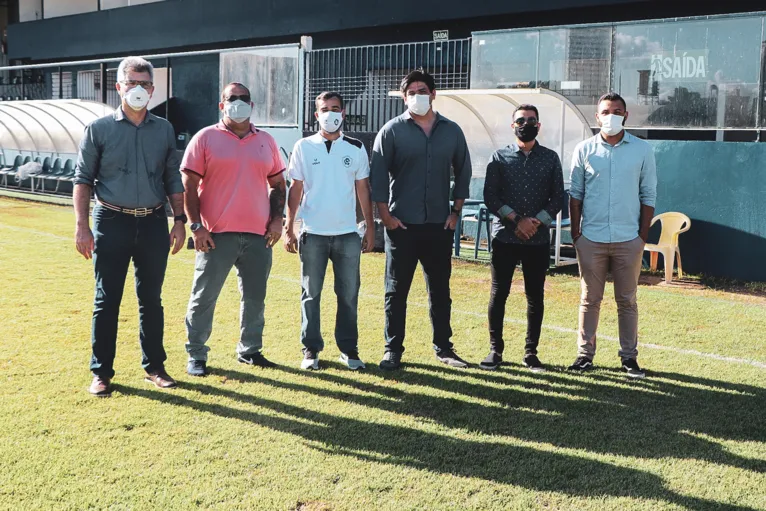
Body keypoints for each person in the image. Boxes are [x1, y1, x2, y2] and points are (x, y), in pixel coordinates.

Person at [74, 56, 186, 397]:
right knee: (106, 300)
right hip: (110, 221)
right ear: (119, 86)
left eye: (145, 84)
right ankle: (101, 372)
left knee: (151, 299)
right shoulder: (99, 129)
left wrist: (180, 220)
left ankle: (154, 366)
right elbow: (82, 179)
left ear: (153, 89)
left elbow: (172, 179)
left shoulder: (164, 129)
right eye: (132, 83)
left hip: (153, 222)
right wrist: (82, 226)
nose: (139, 89)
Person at [181, 82, 286, 377]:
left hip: (258, 236)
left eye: (243, 99)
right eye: (232, 98)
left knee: (255, 298)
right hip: (215, 235)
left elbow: (278, 185)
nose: (238, 103)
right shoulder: (205, 138)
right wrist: (196, 226)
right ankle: (197, 355)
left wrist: (278, 220)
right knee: (204, 297)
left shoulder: (265, 140)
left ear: (252, 105)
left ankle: (250, 350)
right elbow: (188, 185)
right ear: (221, 105)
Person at [370, 69, 472, 371]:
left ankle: (444, 348)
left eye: (423, 90)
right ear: (404, 97)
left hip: (440, 225)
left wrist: (456, 212)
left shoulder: (451, 131)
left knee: (440, 289)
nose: (418, 96)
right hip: (402, 226)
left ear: (433, 94)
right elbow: (377, 174)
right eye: (412, 91)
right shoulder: (391, 131)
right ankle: (392, 349)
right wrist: (385, 216)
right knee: (395, 289)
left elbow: (463, 171)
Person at [568, 92, 657, 379]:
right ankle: (584, 356)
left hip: (627, 239)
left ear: (626, 116)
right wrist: (576, 233)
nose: (611, 116)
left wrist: (641, 236)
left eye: (617, 111)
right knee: (589, 299)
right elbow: (576, 194)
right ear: (597, 116)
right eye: (605, 112)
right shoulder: (584, 149)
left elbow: (648, 195)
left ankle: (629, 358)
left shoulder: (642, 151)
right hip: (591, 238)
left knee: (627, 301)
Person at [284, 92, 375, 371]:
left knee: (348, 294)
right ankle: (311, 351)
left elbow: (363, 189)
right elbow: (295, 189)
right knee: (310, 294)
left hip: (348, 234)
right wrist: (290, 227)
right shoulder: (303, 146)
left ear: (343, 113)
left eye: (335, 108)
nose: (330, 113)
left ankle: (348, 350)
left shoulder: (356, 147)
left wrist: (370, 227)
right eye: (325, 109)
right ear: (316, 115)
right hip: (313, 234)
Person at [481, 104, 564, 372]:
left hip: (537, 240)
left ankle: (531, 353)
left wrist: (536, 222)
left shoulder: (550, 158)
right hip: (505, 237)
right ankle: (495, 351)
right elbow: (491, 196)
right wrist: (517, 220)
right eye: (520, 120)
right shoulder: (499, 157)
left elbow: (558, 197)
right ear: (512, 125)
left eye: (531, 120)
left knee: (535, 296)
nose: (525, 124)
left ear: (538, 125)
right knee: (499, 293)